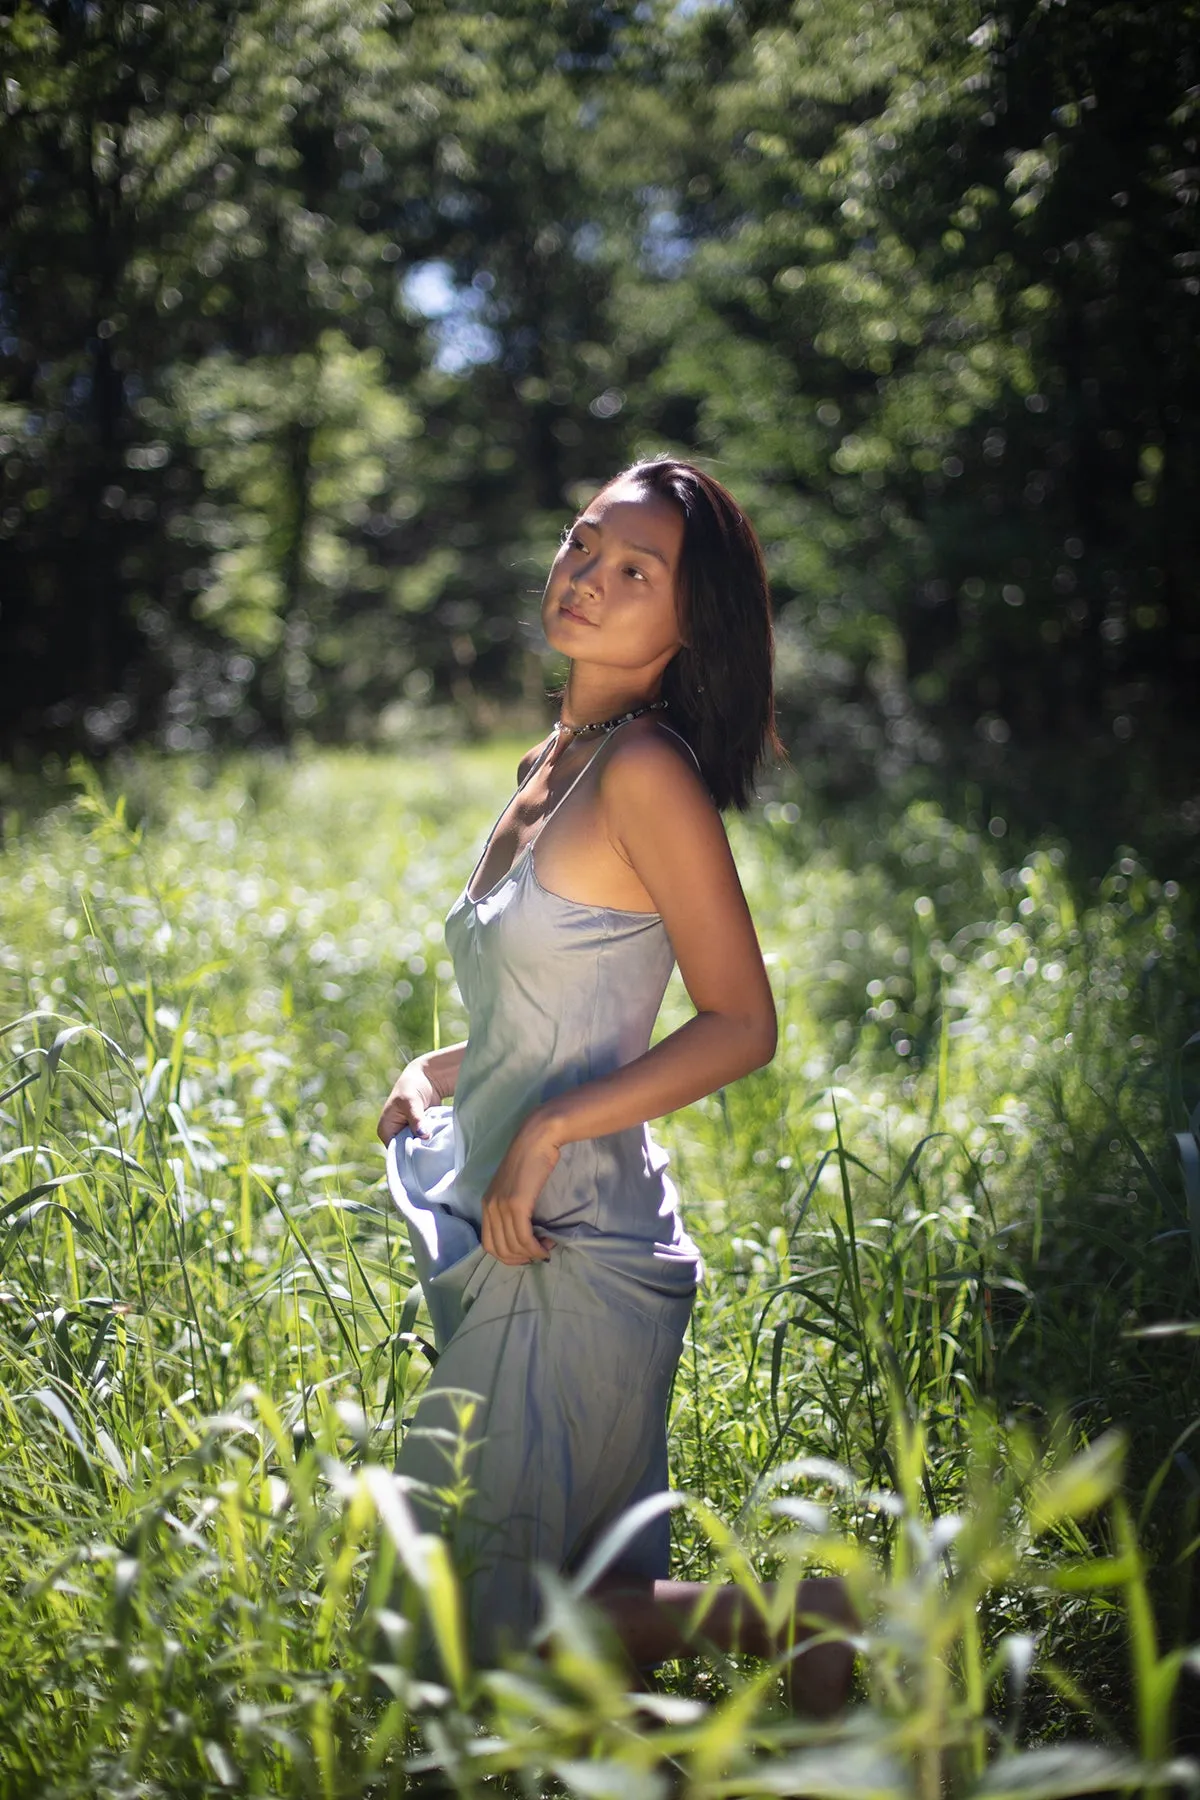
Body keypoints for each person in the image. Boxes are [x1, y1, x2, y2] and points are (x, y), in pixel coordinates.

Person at [376, 457, 855, 1713]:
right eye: (585, 543)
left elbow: (742, 1022)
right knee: (541, 1627)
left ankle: (807, 1617)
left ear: (690, 621)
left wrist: (548, 1129)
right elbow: (558, 999)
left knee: (489, 1633)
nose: (589, 574)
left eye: (635, 569)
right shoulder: (556, 758)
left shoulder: (645, 770)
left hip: (574, 1249)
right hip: (501, 1231)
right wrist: (445, 1070)